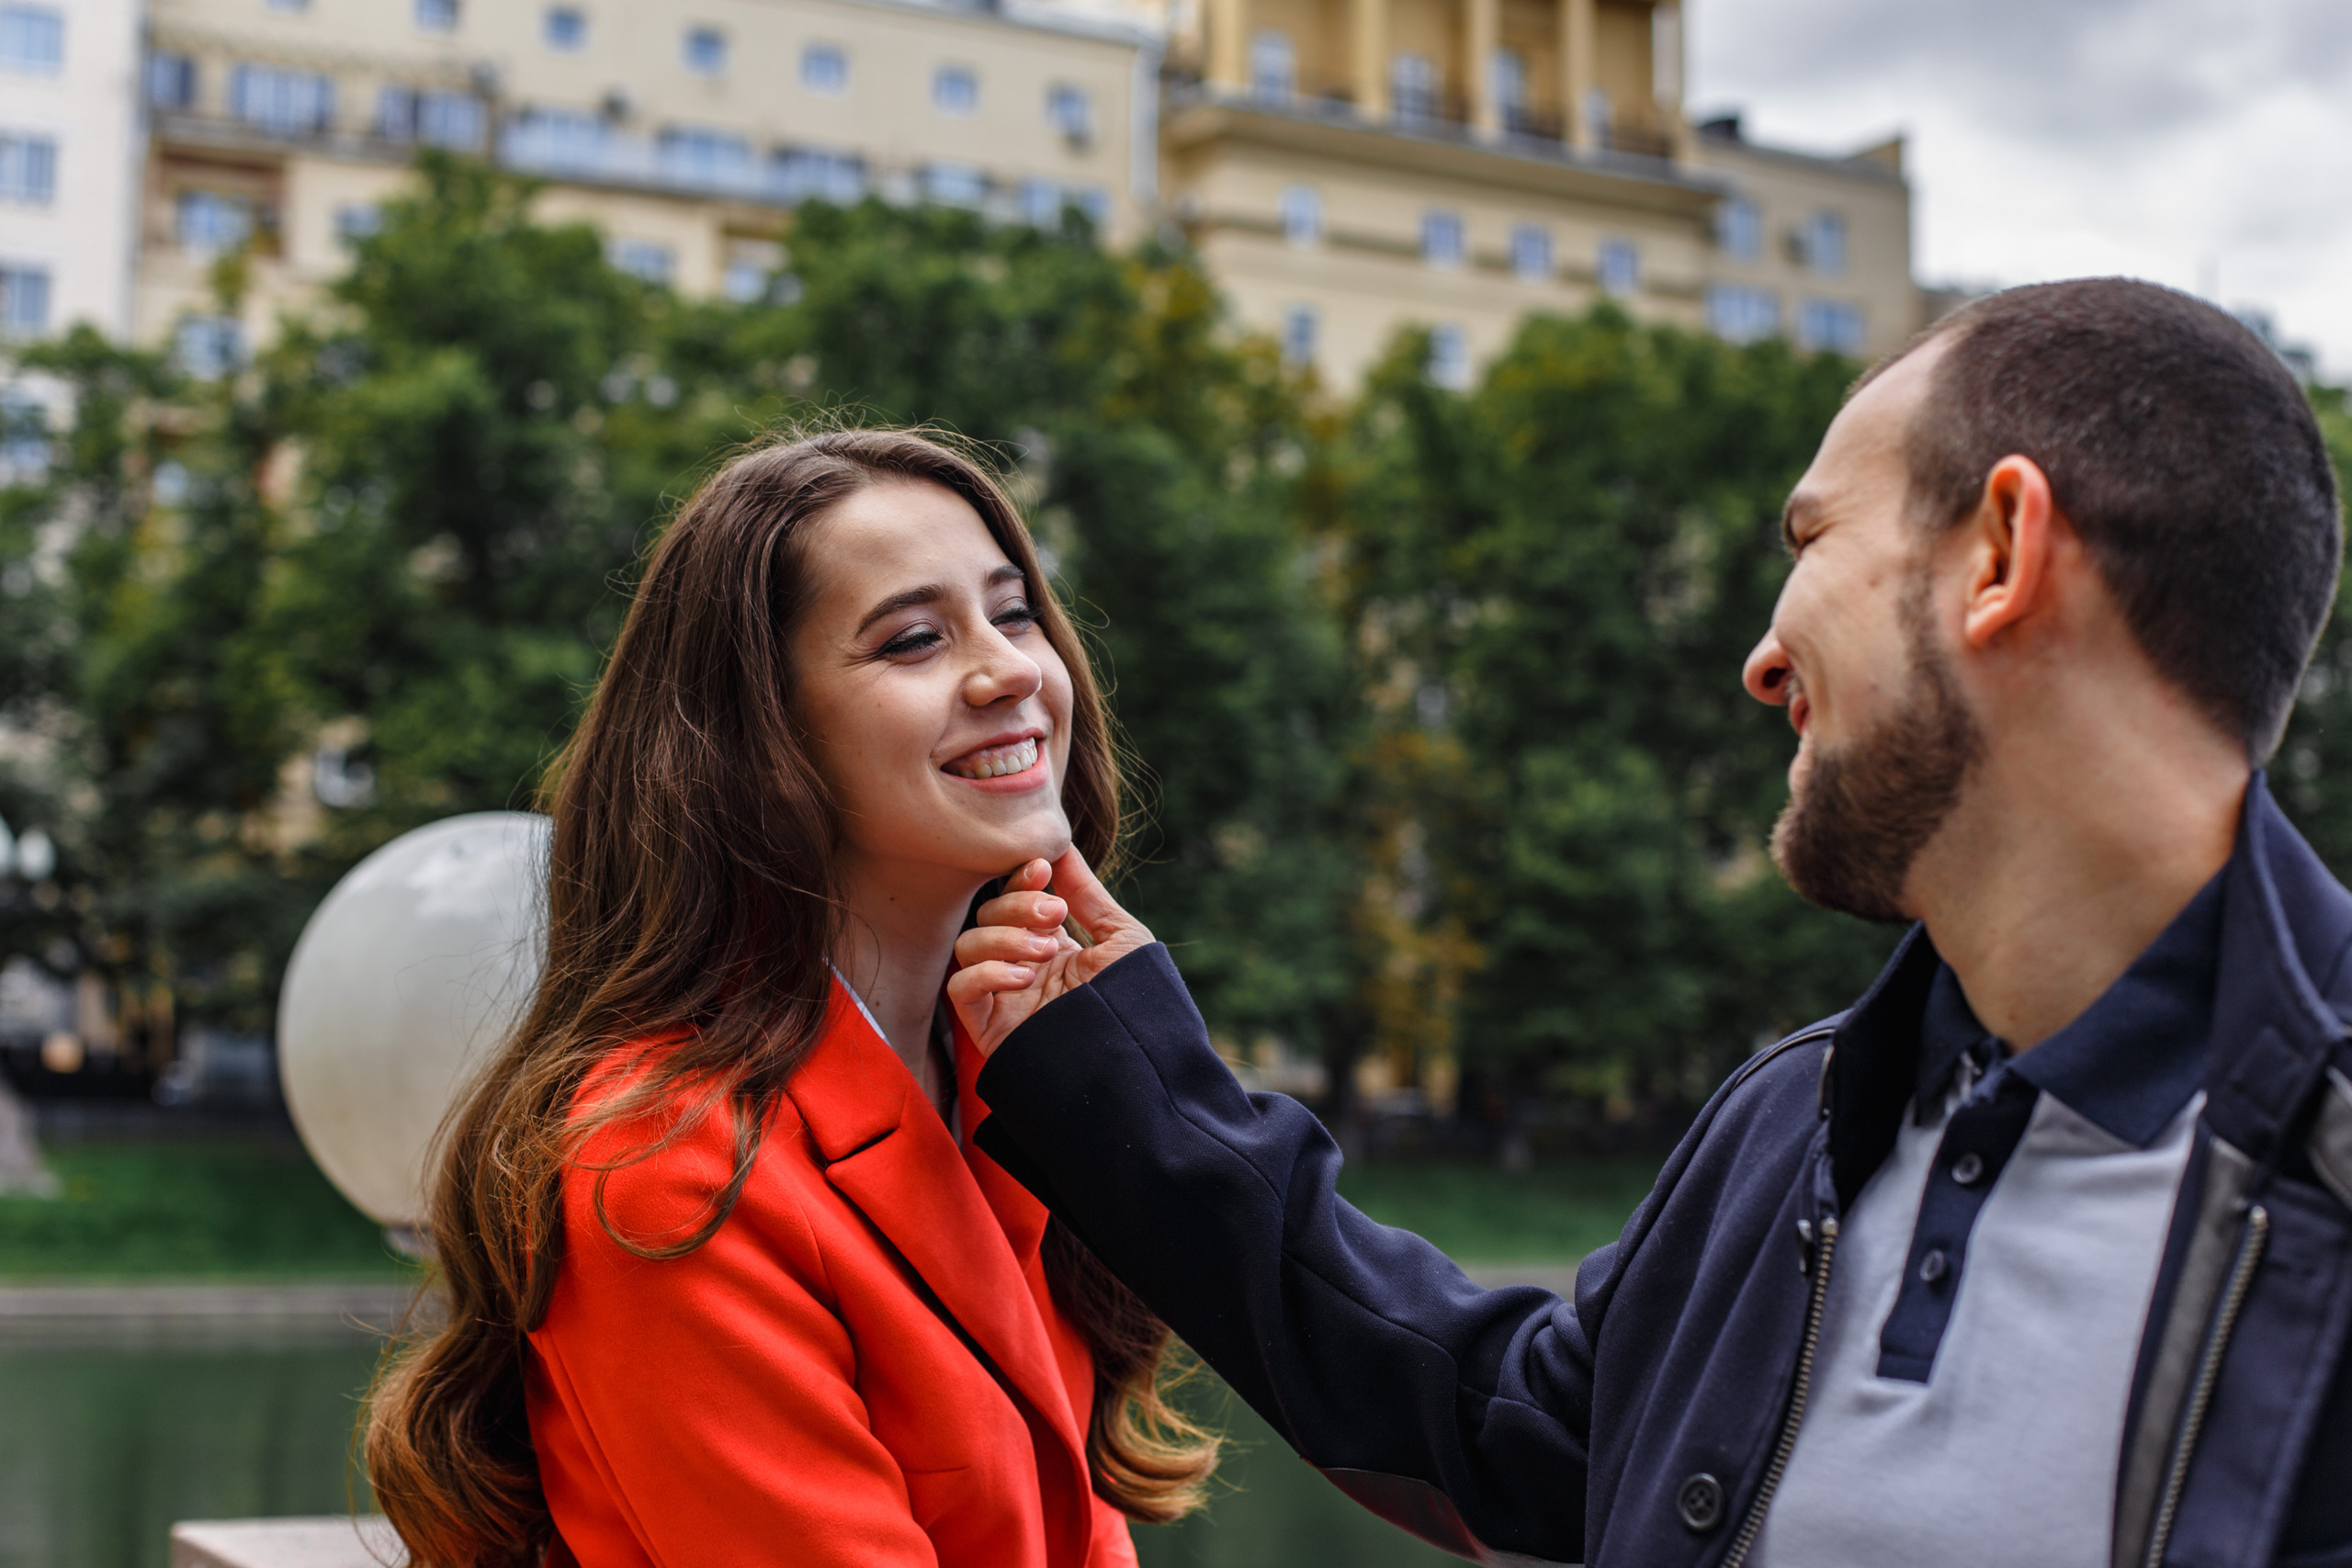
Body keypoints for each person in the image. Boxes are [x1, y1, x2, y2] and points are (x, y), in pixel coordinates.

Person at [948, 280, 2352, 1568]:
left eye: (1811, 538)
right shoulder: (1801, 1113)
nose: (1759, 659)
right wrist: (1123, 1085)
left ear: (2000, 552)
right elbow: (1522, 1430)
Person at [365, 428, 1216, 1568]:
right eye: (914, 638)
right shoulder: (669, 1168)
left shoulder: (1007, 1084)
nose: (1012, 668)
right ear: (760, 743)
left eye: (1012, 614)